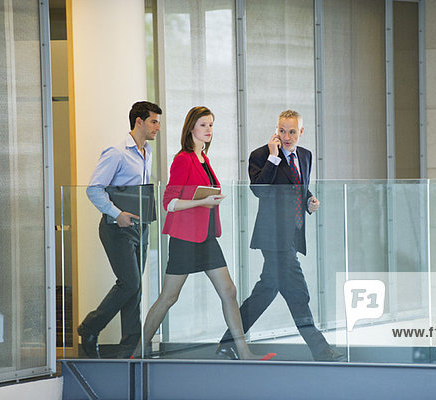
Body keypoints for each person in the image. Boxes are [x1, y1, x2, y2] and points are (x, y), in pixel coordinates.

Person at [134, 106, 274, 360]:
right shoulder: (183, 159)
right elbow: (169, 202)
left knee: (229, 291)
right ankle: (138, 350)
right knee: (169, 297)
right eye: (203, 125)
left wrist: (210, 198)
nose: (209, 130)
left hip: (207, 237)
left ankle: (243, 352)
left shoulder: (204, 159)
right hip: (185, 239)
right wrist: (202, 202)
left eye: (211, 125)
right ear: (191, 128)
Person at [217, 109, 344, 361]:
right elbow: (259, 191)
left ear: (301, 132)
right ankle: (321, 350)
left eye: (292, 131)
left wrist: (310, 200)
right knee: (298, 293)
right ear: (276, 130)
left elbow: (300, 187)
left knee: (266, 291)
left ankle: (228, 343)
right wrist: (274, 158)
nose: (287, 137)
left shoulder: (305, 155)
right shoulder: (261, 156)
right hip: (272, 236)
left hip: (292, 235)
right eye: (282, 131)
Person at [78, 101, 162, 358]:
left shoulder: (146, 152)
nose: (158, 127)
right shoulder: (116, 153)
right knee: (129, 283)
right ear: (139, 121)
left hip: (141, 228)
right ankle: (90, 327)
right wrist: (117, 214)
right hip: (117, 228)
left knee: (134, 288)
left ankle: (131, 344)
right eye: (154, 121)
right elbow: (94, 189)